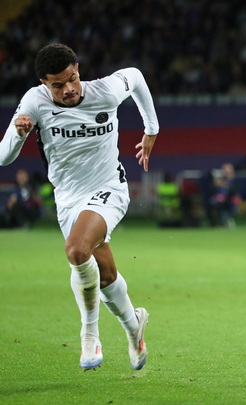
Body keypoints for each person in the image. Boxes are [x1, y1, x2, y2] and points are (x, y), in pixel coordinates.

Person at [0, 44, 159, 371]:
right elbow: (4, 156)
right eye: (58, 85)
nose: (69, 89)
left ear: (78, 70)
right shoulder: (35, 102)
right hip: (69, 199)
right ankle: (135, 329)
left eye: (72, 78)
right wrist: (18, 136)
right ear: (44, 83)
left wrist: (151, 129)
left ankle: (90, 334)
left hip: (108, 189)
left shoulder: (105, 90)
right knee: (105, 275)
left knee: (75, 250)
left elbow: (137, 78)